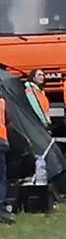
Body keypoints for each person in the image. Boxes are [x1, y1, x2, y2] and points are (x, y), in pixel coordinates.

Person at [0, 95, 13, 224]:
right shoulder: (2, 102)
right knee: (1, 178)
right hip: (1, 140)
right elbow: (9, 120)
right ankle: (1, 210)